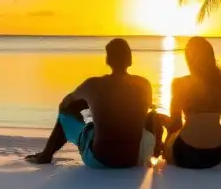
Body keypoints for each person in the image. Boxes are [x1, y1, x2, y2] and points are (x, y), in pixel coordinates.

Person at [26, 38, 156, 168]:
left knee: (65, 113)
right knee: (152, 116)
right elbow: (140, 111)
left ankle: (45, 156)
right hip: (134, 160)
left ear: (108, 60)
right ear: (130, 59)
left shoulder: (93, 84)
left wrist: (89, 109)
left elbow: (65, 104)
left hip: (100, 160)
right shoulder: (144, 84)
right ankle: (157, 153)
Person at [162, 37, 221, 169]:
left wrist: (162, 123)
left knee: (158, 123)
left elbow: (176, 124)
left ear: (189, 59)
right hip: (216, 153)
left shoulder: (179, 83)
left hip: (186, 152)